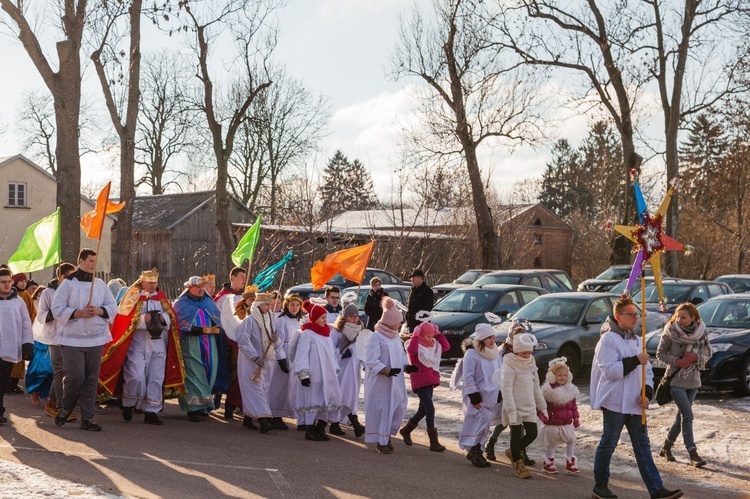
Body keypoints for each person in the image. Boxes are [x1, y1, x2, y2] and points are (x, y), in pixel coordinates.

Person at [591, 297, 683, 499]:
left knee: (642, 447)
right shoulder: (607, 340)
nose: (635, 318)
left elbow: (647, 370)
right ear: (618, 317)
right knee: (609, 442)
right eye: (630, 314)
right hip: (614, 401)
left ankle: (657, 490)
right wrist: (634, 360)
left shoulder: (636, 340)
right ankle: (600, 485)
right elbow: (609, 371)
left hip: (635, 402)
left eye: (636, 314)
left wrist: (647, 392)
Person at [99, 269, 184, 426]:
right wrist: (140, 319)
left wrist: (162, 318)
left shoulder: (161, 298)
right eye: (150, 282)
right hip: (137, 345)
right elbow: (123, 320)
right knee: (136, 377)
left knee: (156, 378)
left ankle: (152, 411)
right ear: (142, 281)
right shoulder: (132, 296)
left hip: (158, 345)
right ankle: (128, 404)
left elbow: (171, 319)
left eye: (155, 282)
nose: (152, 285)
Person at [51, 249, 117, 431]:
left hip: (96, 338)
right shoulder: (68, 284)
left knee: (91, 379)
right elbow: (56, 308)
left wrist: (99, 311)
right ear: (80, 261)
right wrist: (79, 313)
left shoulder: (100, 284)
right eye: (89, 261)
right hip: (72, 339)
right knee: (76, 376)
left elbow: (113, 306)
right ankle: (66, 407)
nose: (92, 264)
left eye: (95, 261)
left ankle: (87, 418)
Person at [656, 302, 712, 468]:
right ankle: (692, 452)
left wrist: (696, 358)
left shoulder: (701, 331)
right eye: (678, 316)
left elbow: (707, 352)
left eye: (684, 317)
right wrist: (677, 361)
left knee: (681, 416)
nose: (679, 320)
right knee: (687, 415)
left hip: (693, 380)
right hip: (676, 379)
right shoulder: (669, 331)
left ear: (693, 318)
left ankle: (666, 446)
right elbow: (660, 353)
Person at [364, 296, 418, 454]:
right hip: (381, 383)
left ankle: (386, 435)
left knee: (397, 407)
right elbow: (371, 360)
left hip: (396, 382)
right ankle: (382, 441)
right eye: (399, 321)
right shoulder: (376, 337)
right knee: (383, 410)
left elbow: (401, 356)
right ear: (390, 321)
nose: (400, 324)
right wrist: (386, 370)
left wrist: (407, 367)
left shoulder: (395, 338)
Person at [236, 292, 288, 434]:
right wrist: (254, 357)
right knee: (255, 390)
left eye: (269, 305)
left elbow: (274, 339)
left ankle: (248, 418)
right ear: (259, 305)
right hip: (251, 362)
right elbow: (243, 341)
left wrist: (276, 340)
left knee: (263, 389)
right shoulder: (250, 320)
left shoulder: (269, 318)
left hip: (267, 361)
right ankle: (264, 421)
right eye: (266, 304)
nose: (269, 307)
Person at [172, 276, 222, 422]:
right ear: (189, 288)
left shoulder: (208, 302)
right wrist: (189, 329)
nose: (201, 290)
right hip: (191, 343)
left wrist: (216, 327)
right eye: (198, 287)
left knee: (209, 372)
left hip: (210, 343)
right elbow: (176, 324)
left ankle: (204, 406)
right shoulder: (181, 304)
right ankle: (192, 408)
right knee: (194, 374)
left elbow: (217, 319)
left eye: (202, 287)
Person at [293, 302, 342, 441]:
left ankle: (321, 426)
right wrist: (303, 374)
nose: (324, 320)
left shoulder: (326, 333)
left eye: (325, 317)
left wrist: (334, 369)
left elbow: (331, 353)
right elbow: (301, 354)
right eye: (322, 317)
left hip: (327, 375)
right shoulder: (307, 333)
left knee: (329, 400)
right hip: (314, 375)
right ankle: (310, 428)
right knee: (313, 401)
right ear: (314, 318)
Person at [501, 331, 547, 478]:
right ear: (516, 350)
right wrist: (511, 410)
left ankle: (514, 451)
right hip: (514, 406)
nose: (527, 356)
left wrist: (542, 406)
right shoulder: (510, 364)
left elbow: (536, 387)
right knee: (515, 434)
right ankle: (518, 463)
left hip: (529, 406)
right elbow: (506, 389)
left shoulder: (531, 363)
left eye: (529, 353)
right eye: (524, 353)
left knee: (532, 433)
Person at [400, 319, 449, 451]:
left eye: (431, 336)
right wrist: (416, 336)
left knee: (423, 410)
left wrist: (438, 334)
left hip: (430, 380)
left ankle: (406, 430)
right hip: (420, 380)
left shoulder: (434, 345)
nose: (430, 339)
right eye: (427, 336)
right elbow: (412, 350)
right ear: (421, 335)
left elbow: (446, 347)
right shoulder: (413, 343)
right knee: (430, 409)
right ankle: (433, 442)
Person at [458, 323, 503, 468]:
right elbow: (468, 376)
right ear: (482, 338)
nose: (492, 341)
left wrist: (500, 391)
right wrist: (473, 395)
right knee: (478, 422)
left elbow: (499, 373)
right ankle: (474, 451)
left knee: (485, 424)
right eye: (489, 338)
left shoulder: (495, 353)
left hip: (492, 394)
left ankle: (477, 451)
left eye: (493, 338)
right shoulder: (472, 353)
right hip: (478, 396)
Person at [34, 263, 75, 419]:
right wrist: (55, 311)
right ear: (62, 277)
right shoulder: (48, 293)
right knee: (59, 370)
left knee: (65, 371)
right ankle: (60, 407)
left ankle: (51, 402)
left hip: (70, 336)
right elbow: (41, 316)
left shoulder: (72, 292)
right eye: (70, 276)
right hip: (55, 336)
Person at [0, 268, 34, 423]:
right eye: (3, 282)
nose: (6, 285)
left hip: (9, 347)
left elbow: (26, 324)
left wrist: (27, 343)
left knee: (2, 381)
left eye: (9, 282)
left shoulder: (18, 302)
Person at [213, 268, 247, 413]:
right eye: (241, 277)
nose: (244, 280)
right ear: (233, 278)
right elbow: (217, 316)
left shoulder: (245, 296)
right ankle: (219, 396)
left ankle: (237, 401)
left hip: (241, 339)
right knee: (227, 368)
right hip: (226, 339)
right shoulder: (223, 297)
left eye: (245, 278)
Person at [538, 357, 580, 474]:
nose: (563, 378)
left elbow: (573, 407)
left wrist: (576, 418)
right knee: (552, 442)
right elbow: (540, 406)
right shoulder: (548, 392)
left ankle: (570, 461)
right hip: (552, 422)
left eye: (565, 375)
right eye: (560, 375)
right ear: (551, 376)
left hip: (566, 422)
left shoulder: (570, 390)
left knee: (571, 440)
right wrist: (542, 415)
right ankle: (548, 462)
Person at [329, 302, 366, 437]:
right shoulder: (337, 331)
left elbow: (363, 350)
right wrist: (340, 353)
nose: (355, 319)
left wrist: (367, 366)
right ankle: (355, 425)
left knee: (350, 396)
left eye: (356, 316)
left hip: (354, 368)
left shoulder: (361, 331)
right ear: (345, 317)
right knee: (342, 396)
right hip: (341, 368)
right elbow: (331, 350)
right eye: (352, 316)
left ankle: (336, 424)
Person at [269, 294, 303, 428]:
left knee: (290, 386)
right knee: (279, 386)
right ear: (287, 306)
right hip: (284, 354)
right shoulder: (281, 320)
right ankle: (275, 414)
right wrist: (280, 358)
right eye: (292, 305)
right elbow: (279, 341)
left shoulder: (298, 321)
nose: (294, 308)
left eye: (297, 305)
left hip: (294, 355)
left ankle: (285, 412)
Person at [7, 272, 35, 394]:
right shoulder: (11, 297)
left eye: (25, 281)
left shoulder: (25, 296)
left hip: (22, 332)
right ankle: (8, 383)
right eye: (21, 281)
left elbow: (31, 312)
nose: (23, 283)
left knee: (20, 359)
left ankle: (14, 382)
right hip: (11, 332)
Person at [26, 285, 51, 407]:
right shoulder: (37, 304)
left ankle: (47, 394)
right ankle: (35, 391)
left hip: (54, 340)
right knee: (39, 369)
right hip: (40, 340)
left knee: (52, 371)